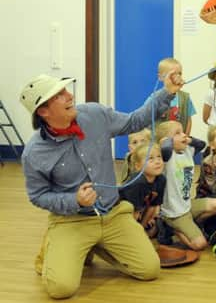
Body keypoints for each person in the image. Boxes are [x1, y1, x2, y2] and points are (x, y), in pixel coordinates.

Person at [20, 71, 182, 299]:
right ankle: (61, 247)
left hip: (113, 213)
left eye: (66, 89)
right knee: (60, 289)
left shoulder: (94, 114)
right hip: (73, 220)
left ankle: (93, 245)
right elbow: (38, 196)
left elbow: (135, 120)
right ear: (44, 111)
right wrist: (73, 200)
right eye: (59, 94)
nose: (69, 95)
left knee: (149, 270)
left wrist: (166, 92)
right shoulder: (34, 153)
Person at [156, 120, 213, 250]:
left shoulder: (187, 150)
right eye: (178, 133)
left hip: (186, 206)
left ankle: (189, 225)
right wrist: (166, 140)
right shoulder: (166, 157)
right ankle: (170, 226)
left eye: (183, 132)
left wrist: (188, 139)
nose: (183, 135)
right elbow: (165, 147)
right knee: (200, 245)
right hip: (174, 212)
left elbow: (202, 144)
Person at [119, 143, 166, 238]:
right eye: (150, 159)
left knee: (154, 229)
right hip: (122, 214)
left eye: (159, 157)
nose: (157, 162)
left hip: (139, 211)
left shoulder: (161, 179)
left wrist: (142, 227)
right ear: (138, 166)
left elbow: (153, 207)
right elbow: (133, 213)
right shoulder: (138, 182)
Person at [157, 58, 196, 135]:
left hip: (181, 142)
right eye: (173, 74)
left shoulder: (185, 97)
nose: (177, 77)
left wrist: (186, 137)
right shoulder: (156, 98)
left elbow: (188, 120)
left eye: (180, 74)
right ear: (160, 77)